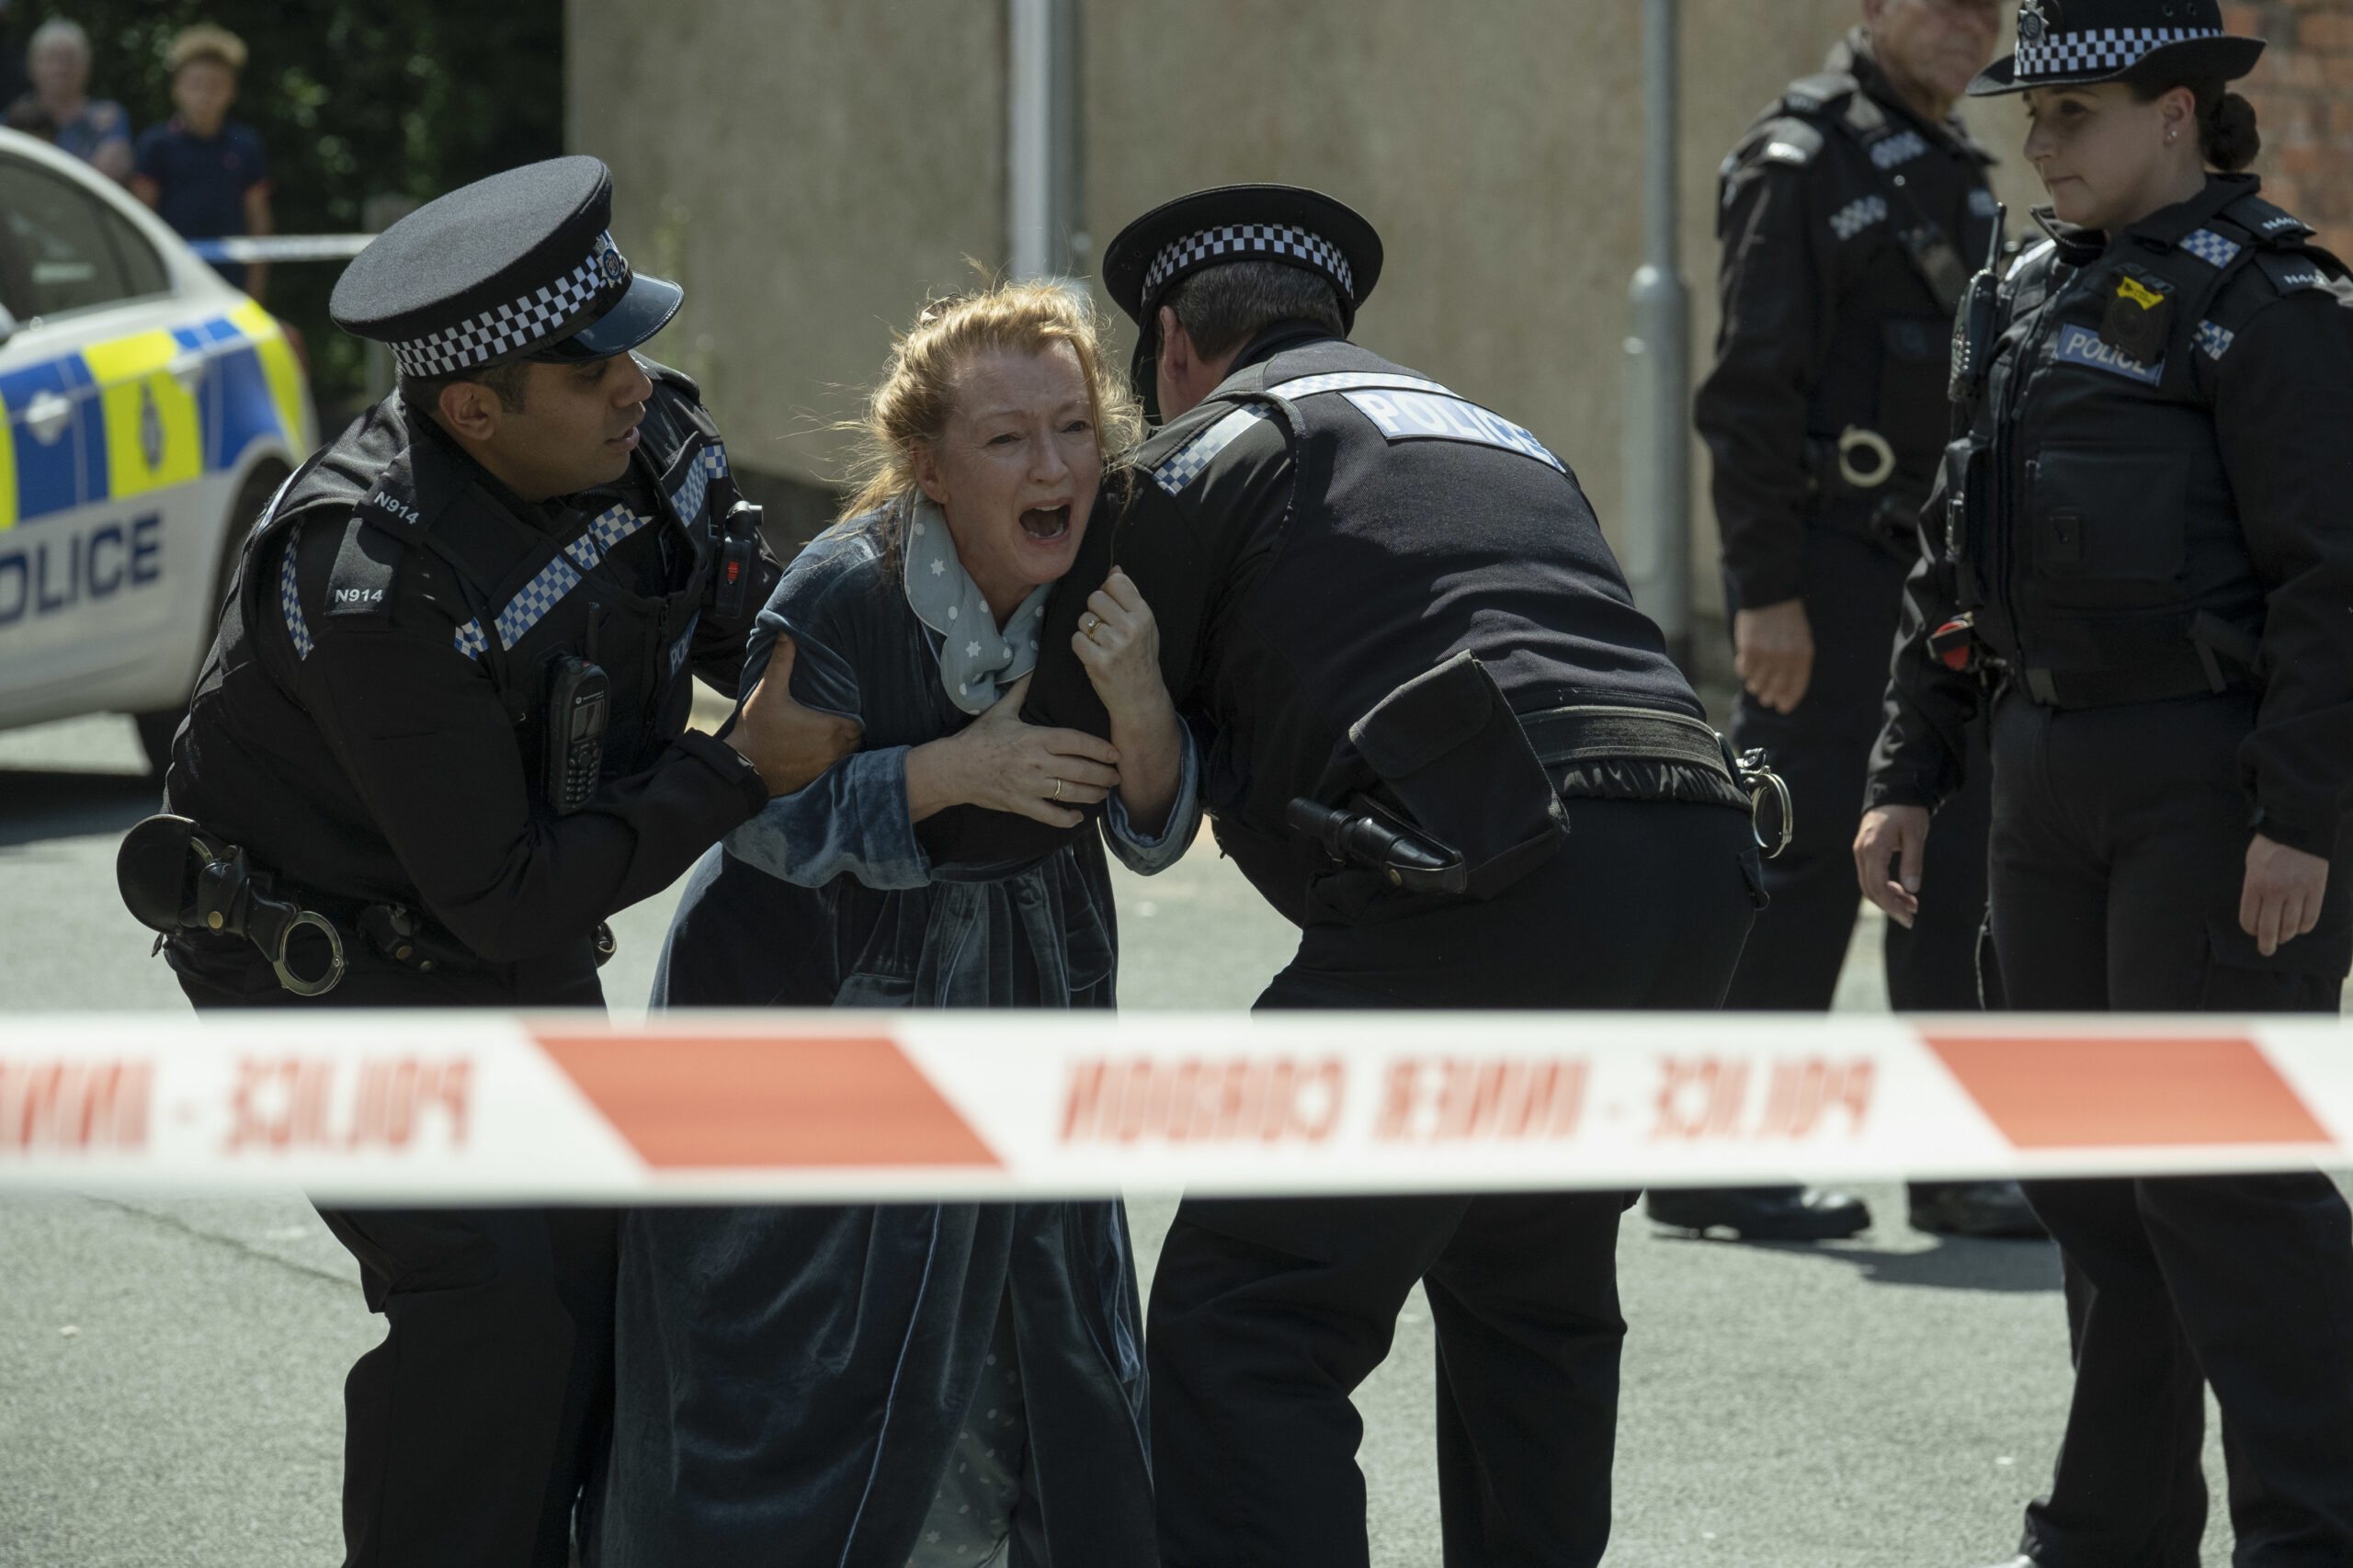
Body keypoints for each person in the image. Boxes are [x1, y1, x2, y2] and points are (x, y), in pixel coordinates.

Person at [989, 184, 1763, 1568]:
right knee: (1533, 1296)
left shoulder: (1211, 447)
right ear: (1337, 325)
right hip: (1696, 865)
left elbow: (1052, 737)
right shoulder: (1505, 438)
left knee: (1252, 1317)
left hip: (1480, 882)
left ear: (1171, 343)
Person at [119, 157, 858, 1566]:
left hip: (496, 934)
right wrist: (736, 769)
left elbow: (774, 631)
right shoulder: (367, 568)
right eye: (593, 370)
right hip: (316, 962)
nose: (634, 382)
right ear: (473, 408)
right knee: (491, 1290)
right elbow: (502, 884)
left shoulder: (647, 445)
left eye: (633, 343)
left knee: (605, 1269)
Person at [1849, 4, 2353, 1560]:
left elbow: (2334, 583)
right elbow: (1953, 553)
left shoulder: (2276, 305)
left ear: (2181, 115)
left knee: (2221, 1181)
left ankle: (2316, 1526)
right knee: (2091, 1182)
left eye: (2075, 116)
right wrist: (1907, 770)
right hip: (2042, 775)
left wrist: (2300, 818)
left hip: (2210, 784)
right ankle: (2118, 1527)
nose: (2040, 145)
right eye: (2033, 120)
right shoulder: (2017, 294)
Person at [600, 281, 1192, 1567]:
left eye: (1074, 427)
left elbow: (1154, 825)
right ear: (927, 464)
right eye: (1008, 439)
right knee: (811, 1407)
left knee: (1048, 1393)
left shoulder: (1118, 570)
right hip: (818, 1039)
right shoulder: (845, 596)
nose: (1055, 465)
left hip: (1030, 1030)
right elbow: (751, 811)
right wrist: (948, 775)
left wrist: (1141, 695)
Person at [1679, 0, 2040, 1242]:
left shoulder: (1956, 166)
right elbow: (1745, 399)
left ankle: (1951, 1160)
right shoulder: (1801, 162)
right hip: (1825, 577)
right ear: (1871, 12)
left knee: (1954, 854)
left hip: (1937, 583)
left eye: (1983, 9)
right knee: (1796, 855)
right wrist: (1762, 593)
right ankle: (1713, 1155)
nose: (1965, 24)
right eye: (1936, 4)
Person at [131, 26, 273, 301]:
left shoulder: (246, 145)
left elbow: (259, 222)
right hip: (172, 285)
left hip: (232, 285)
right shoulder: (155, 145)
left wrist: (255, 295)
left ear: (232, 91)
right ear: (177, 89)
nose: (206, 95)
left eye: (217, 85)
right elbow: (141, 219)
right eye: (196, 84)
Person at [6, 17, 129, 179]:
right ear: (31, 65)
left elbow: (108, 178)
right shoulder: (11, 118)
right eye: (50, 59)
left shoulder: (109, 119)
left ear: (87, 66)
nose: (59, 69)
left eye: (69, 59)